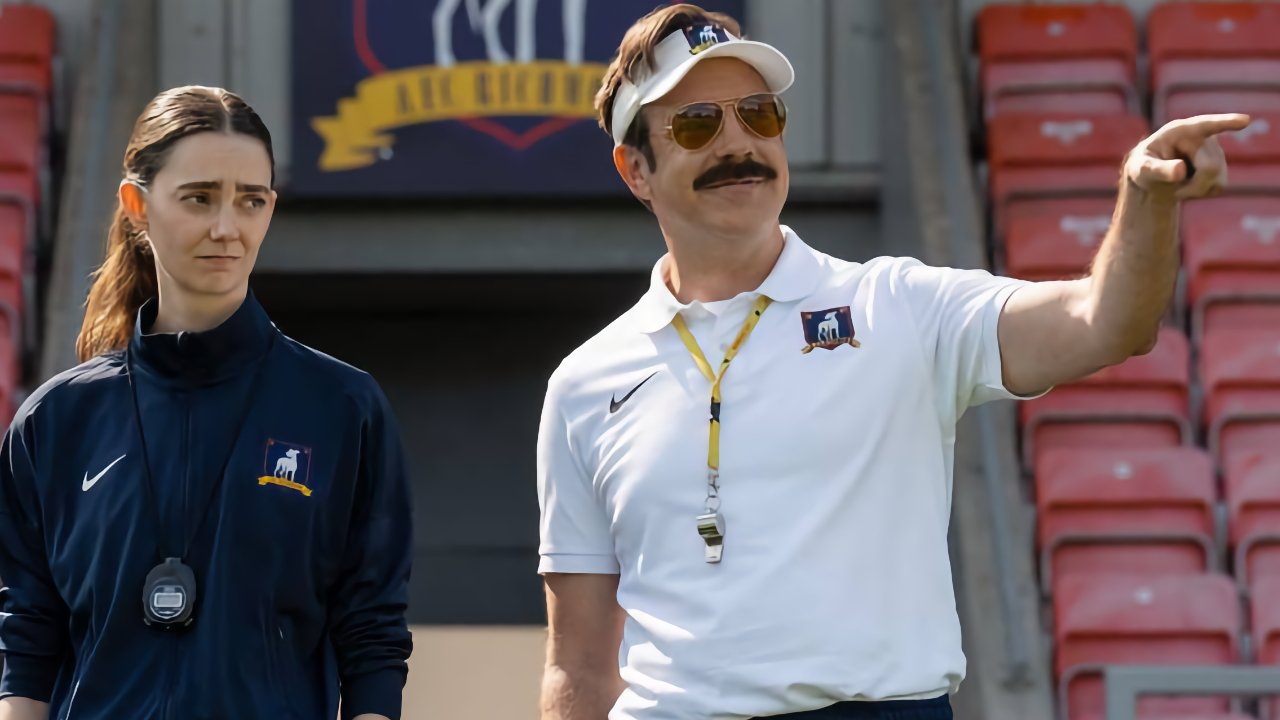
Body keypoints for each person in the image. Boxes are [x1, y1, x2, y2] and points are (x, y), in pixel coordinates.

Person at [535, 5, 1247, 720]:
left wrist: (1145, 199)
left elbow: (1106, 322)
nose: (738, 143)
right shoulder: (583, 383)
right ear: (636, 170)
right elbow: (578, 666)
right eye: (697, 124)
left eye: (759, 115)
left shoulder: (898, 304)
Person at [0, 86, 412, 720]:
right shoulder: (56, 422)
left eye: (250, 201)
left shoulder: (342, 409)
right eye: (198, 198)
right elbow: (27, 636)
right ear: (137, 205)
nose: (227, 227)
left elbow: (372, 636)